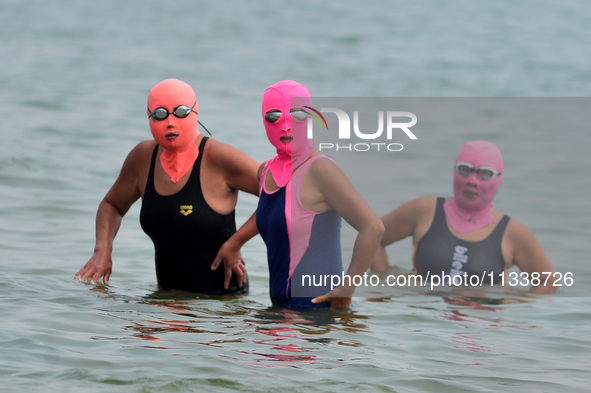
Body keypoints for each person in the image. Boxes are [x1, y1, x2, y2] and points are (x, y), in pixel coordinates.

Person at [75, 79, 259, 294]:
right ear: (149, 116)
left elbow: (281, 194)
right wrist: (103, 250)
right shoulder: (143, 158)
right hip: (165, 301)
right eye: (160, 114)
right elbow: (112, 204)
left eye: (180, 112)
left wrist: (236, 242)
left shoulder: (219, 157)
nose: (170, 122)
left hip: (220, 310)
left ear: (194, 112)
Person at [254, 80, 385, 308]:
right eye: (274, 116)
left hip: (316, 317)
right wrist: (233, 244)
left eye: (298, 115)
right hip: (282, 312)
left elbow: (373, 227)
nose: (286, 125)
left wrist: (347, 289)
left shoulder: (321, 170)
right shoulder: (265, 171)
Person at [370, 140, 557, 294]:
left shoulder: (513, 233)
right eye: (465, 169)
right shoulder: (424, 210)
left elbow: (548, 281)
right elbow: (372, 234)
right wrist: (384, 279)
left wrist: (511, 306)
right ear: (454, 171)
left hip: (478, 329)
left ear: (498, 180)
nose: (472, 180)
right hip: (421, 326)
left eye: (484, 174)